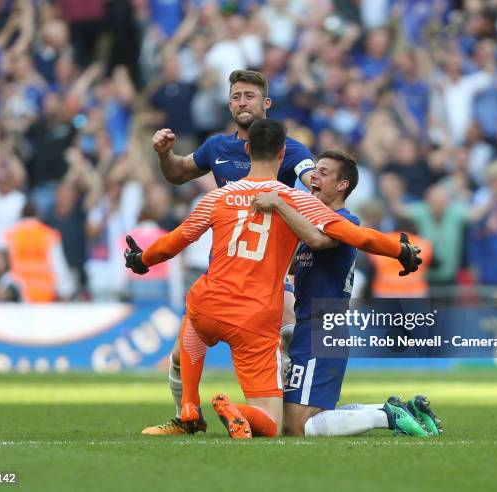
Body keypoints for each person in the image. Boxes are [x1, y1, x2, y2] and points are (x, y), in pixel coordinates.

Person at [125, 119, 422, 438]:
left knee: (194, 321)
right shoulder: (299, 201)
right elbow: (355, 235)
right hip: (255, 318)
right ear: (283, 154)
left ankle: (188, 409)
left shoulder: (218, 197)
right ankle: (238, 412)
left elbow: (178, 239)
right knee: (275, 423)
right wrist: (399, 249)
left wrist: (142, 259)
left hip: (210, 302)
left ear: (248, 150)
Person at [146, 69, 316, 434]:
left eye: (250, 96)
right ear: (229, 103)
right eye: (237, 96)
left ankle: (292, 407)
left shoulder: (287, 148)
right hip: (224, 273)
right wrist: (165, 154)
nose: (243, 102)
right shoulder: (216, 148)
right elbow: (177, 173)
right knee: (179, 356)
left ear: (266, 103)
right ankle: (187, 417)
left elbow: (311, 178)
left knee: (289, 324)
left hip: (271, 274)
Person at [251, 151, 439, 437]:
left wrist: (279, 203)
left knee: (299, 426)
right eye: (315, 170)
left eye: (324, 172)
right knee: (306, 418)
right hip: (311, 326)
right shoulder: (312, 223)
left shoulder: (342, 219)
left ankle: (387, 418)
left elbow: (318, 240)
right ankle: (397, 410)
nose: (314, 176)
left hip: (323, 325)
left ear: (342, 185)